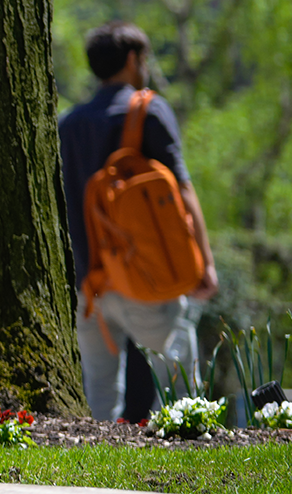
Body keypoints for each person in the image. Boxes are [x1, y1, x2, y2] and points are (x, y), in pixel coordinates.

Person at [58, 21, 218, 422]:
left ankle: (92, 478)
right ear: (132, 60)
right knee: (181, 398)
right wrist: (204, 263)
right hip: (149, 282)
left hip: (89, 286)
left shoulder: (69, 124)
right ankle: (183, 479)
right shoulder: (147, 111)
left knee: (98, 400)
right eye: (144, 59)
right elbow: (182, 190)